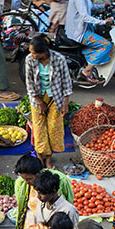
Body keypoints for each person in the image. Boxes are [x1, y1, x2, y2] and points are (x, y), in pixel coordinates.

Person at [23, 37, 73, 169]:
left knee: (54, 128)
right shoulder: (29, 60)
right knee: (39, 129)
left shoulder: (59, 59)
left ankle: (49, 160)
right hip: (37, 98)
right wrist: (40, 102)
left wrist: (65, 103)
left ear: (44, 52)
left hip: (56, 97)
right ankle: (40, 158)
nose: (32, 55)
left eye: (34, 53)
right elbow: (30, 84)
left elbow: (66, 82)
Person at [64, 0, 112, 84]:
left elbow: (89, 8)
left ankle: (88, 59)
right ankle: (87, 71)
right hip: (79, 32)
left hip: (81, 28)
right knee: (106, 45)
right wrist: (103, 22)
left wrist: (103, 6)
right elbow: (85, 16)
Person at [14, 155, 74, 229]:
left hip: (54, 223)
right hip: (34, 220)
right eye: (24, 178)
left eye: (29, 179)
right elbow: (22, 205)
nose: (26, 182)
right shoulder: (21, 183)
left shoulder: (60, 181)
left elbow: (69, 200)